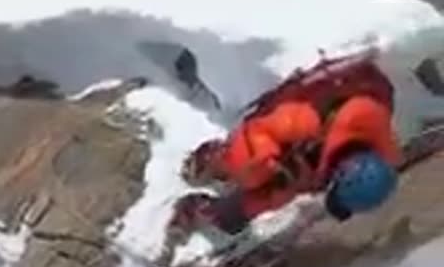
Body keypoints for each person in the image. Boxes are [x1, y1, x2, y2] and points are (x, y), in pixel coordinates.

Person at [171, 51, 403, 239]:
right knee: (249, 165)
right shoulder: (309, 123)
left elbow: (294, 187)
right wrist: (263, 162)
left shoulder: (348, 156)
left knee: (276, 189)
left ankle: (221, 214)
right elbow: (260, 130)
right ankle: (215, 160)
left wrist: (242, 210)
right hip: (274, 123)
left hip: (299, 155)